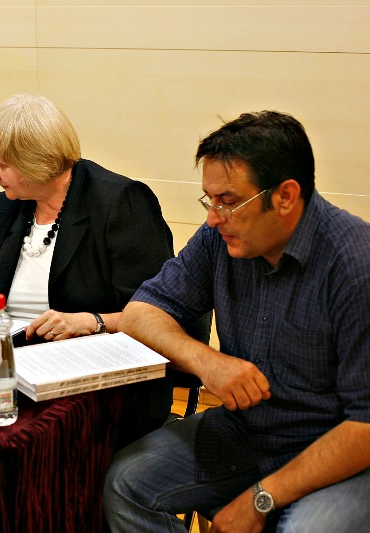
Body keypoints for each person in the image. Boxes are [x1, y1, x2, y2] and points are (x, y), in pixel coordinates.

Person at [104, 111, 370, 532]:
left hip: (335, 449)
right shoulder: (220, 237)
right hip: (246, 430)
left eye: (228, 201)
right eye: (209, 200)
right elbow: (140, 313)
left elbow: (364, 427)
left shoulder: (355, 264)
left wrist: (259, 499)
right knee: (125, 483)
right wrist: (208, 362)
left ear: (285, 196)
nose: (213, 217)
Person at [0, 93, 173, 341]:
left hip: (94, 362)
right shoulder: (0, 210)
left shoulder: (121, 204)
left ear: (36, 163)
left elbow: (158, 313)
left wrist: (92, 322)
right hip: (13, 357)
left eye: (1, 165)